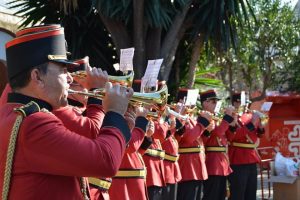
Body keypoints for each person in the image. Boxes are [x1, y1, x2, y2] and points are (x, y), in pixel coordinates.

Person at [0, 24, 133, 200]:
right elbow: (106, 161)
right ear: (37, 77)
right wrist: (114, 113)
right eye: (63, 71)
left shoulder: (17, 113)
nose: (70, 78)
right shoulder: (34, 123)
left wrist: (120, 125)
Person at [175, 89, 212, 200]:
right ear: (182, 100)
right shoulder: (180, 118)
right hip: (187, 168)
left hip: (197, 167)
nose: (193, 104)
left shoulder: (191, 118)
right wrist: (202, 124)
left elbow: (200, 141)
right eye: (190, 100)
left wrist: (206, 131)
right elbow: (189, 139)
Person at [227, 93, 265, 200]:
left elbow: (259, 135)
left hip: (251, 157)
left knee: (251, 192)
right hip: (238, 158)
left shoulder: (250, 115)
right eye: (242, 103)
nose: (246, 106)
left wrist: (261, 126)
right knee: (238, 192)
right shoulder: (231, 117)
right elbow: (233, 136)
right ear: (234, 103)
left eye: (247, 103)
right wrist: (252, 123)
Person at [200, 90, 234, 200]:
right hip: (213, 163)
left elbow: (229, 137)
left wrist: (233, 124)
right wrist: (227, 117)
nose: (216, 104)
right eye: (213, 101)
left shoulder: (216, 117)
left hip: (222, 162)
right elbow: (218, 132)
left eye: (216, 102)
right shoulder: (204, 117)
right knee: (212, 195)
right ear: (205, 103)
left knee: (221, 195)